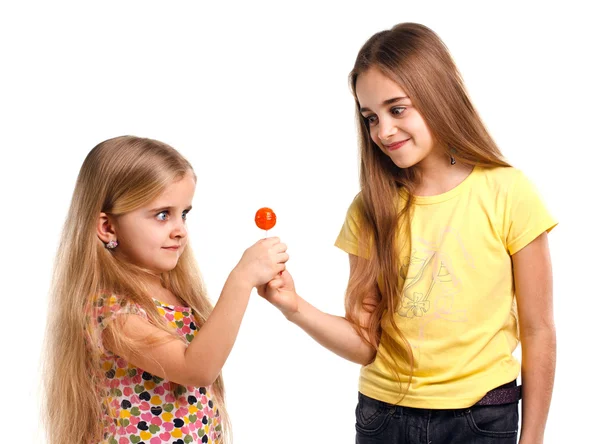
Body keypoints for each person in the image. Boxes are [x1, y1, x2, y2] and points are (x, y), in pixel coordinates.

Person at [259, 23, 556, 443]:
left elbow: (539, 329)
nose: (382, 131)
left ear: (438, 95)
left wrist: (534, 438)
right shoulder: (370, 208)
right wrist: (291, 304)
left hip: (482, 419)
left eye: (397, 109)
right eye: (371, 118)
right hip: (384, 419)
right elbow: (365, 344)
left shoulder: (508, 191)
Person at [44, 136, 288, 444]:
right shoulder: (112, 310)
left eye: (183, 213)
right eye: (162, 215)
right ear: (107, 227)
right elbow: (196, 369)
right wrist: (241, 280)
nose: (180, 229)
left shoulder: (171, 291)